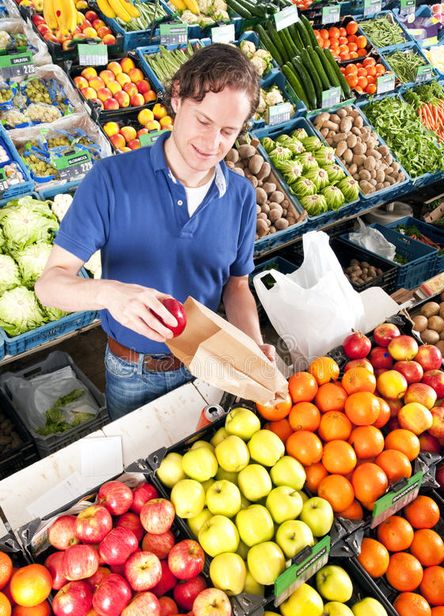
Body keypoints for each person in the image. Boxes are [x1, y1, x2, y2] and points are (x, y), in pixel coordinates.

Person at [36, 43, 275, 421]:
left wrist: (252, 347)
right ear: (177, 97)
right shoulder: (111, 179)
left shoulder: (242, 196)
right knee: (136, 474)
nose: (212, 144)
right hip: (133, 370)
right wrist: (111, 294)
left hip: (208, 364)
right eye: (203, 122)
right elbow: (49, 286)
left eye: (228, 132)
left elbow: (237, 285)